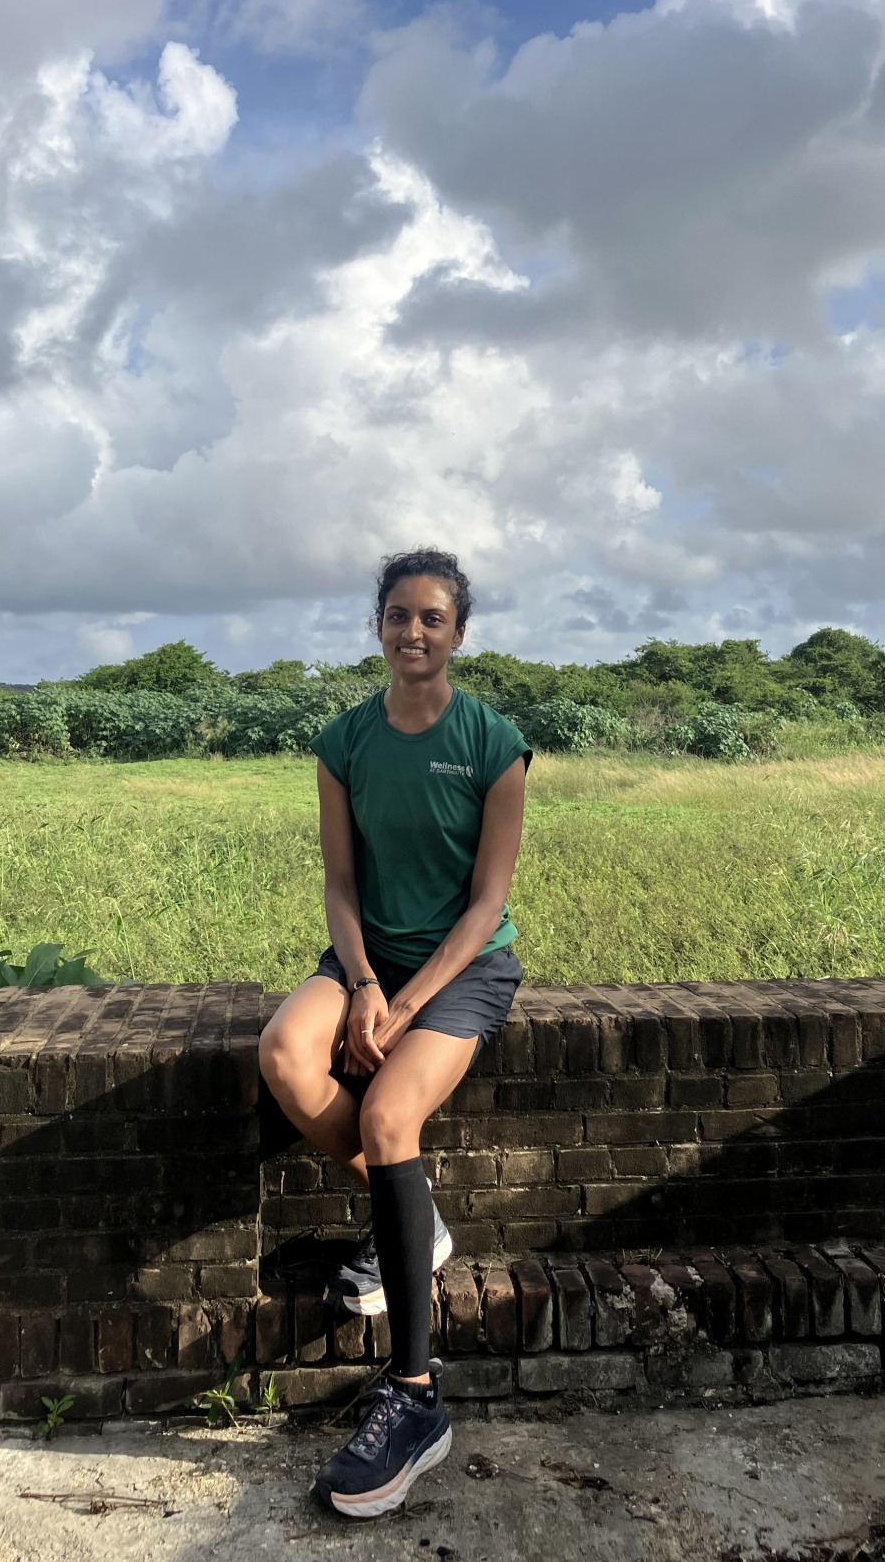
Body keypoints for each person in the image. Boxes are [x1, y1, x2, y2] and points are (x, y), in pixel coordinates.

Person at [258, 549, 530, 1520]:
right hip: (366, 959)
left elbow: (487, 899)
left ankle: (415, 1395)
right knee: (286, 1052)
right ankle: (411, 1220)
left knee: (386, 1114)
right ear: (377, 625)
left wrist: (403, 1004)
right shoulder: (342, 741)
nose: (414, 632)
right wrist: (364, 980)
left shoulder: (494, 742)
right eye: (398, 615)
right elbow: (339, 884)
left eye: (433, 618)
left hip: (461, 971)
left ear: (458, 633)